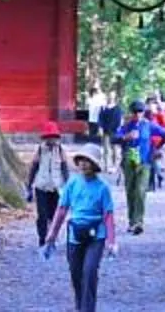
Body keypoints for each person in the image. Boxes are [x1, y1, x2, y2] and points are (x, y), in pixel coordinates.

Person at [58, 144, 121, 312]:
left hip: (96, 236)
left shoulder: (103, 188)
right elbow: (62, 209)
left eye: (88, 161)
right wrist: (51, 235)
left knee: (90, 271)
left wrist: (111, 241)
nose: (84, 164)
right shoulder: (72, 184)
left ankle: (88, 309)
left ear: (94, 164)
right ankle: (80, 306)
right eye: (82, 160)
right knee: (76, 273)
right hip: (75, 234)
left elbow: (108, 215)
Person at [26, 122, 73, 254]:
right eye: (49, 137)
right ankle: (42, 240)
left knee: (54, 216)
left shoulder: (60, 150)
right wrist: (29, 185)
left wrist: (68, 186)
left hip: (56, 188)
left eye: (53, 137)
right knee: (42, 216)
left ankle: (51, 239)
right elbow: (33, 167)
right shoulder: (40, 150)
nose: (51, 140)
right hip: (41, 187)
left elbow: (65, 168)